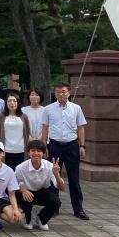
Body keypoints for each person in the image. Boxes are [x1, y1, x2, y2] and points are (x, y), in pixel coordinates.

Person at [41, 81, 89, 220]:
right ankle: (53, 207)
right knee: (53, 177)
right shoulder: (48, 109)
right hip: (54, 146)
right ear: (55, 93)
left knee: (74, 178)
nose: (61, 94)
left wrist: (82, 146)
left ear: (69, 93)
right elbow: (45, 128)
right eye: (58, 92)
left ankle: (78, 209)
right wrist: (44, 147)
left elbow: (81, 128)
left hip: (72, 146)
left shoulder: (76, 108)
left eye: (63, 91)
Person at [15, 140, 65, 231]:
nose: (36, 153)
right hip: (27, 192)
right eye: (33, 151)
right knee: (25, 199)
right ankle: (28, 219)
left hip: (42, 191)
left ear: (43, 153)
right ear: (28, 153)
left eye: (39, 151)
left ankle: (41, 218)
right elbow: (12, 186)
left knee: (56, 201)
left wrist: (57, 175)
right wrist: (23, 190)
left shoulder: (50, 166)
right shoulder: (20, 168)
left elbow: (62, 188)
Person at [0, 92, 31, 170]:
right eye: (9, 101)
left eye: (14, 101)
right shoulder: (0, 116)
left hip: (21, 150)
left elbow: (27, 132)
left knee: (20, 173)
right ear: (6, 103)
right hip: (6, 151)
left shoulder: (24, 116)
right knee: (7, 172)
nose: (12, 103)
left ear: (18, 103)